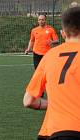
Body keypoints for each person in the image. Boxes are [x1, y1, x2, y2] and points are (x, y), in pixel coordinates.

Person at [23, 6, 80, 140]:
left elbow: (28, 101)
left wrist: (56, 103)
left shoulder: (50, 56)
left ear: (63, 33)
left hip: (52, 131)